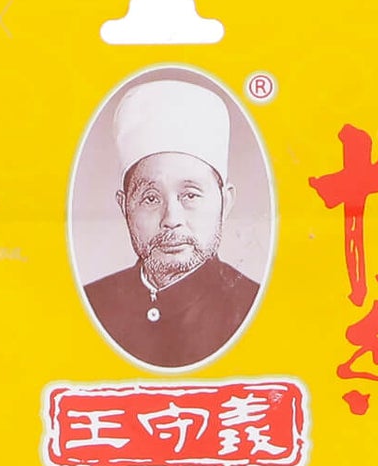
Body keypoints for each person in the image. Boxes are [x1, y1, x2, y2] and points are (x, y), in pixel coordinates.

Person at [83, 77, 260, 368]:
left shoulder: (256, 308)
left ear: (225, 202)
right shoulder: (88, 306)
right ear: (124, 206)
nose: (171, 220)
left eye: (190, 195)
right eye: (151, 198)